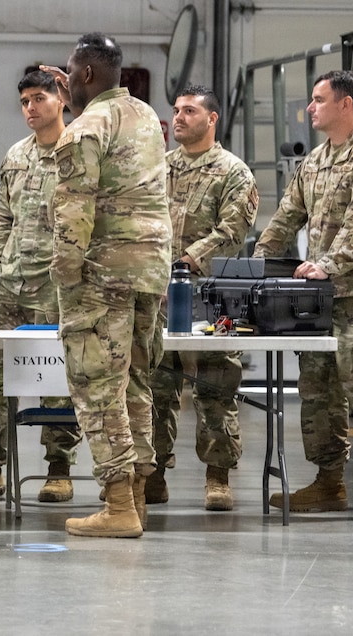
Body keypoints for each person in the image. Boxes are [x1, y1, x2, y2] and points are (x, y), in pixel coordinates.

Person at [252, 69, 353, 520]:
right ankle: (328, 482)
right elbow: (286, 217)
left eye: (319, 100)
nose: (310, 108)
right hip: (318, 297)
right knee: (318, 390)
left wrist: (326, 265)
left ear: (346, 104)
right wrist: (256, 264)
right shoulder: (315, 162)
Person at [41, 33, 171, 538]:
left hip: (103, 275)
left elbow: (75, 209)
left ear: (87, 75)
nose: (66, 79)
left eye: (71, 72)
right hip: (148, 271)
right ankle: (135, 497)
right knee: (136, 385)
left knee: (97, 389)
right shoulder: (143, 118)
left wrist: (65, 273)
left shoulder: (85, 128)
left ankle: (117, 507)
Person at [0, 69, 81, 502]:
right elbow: (3, 217)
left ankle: (58, 469)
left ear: (61, 98)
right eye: (24, 101)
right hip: (9, 288)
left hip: (57, 287)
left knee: (57, 382)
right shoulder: (15, 156)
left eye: (39, 98)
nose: (30, 108)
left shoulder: (79, 153)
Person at [149, 84, 258, 511]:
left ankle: (217, 477)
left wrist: (184, 262)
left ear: (211, 118)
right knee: (156, 384)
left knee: (216, 386)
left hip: (214, 295)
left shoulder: (234, 172)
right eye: (176, 110)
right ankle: (153, 473)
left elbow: (232, 233)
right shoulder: (161, 167)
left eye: (189, 110)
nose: (178, 117)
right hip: (159, 294)